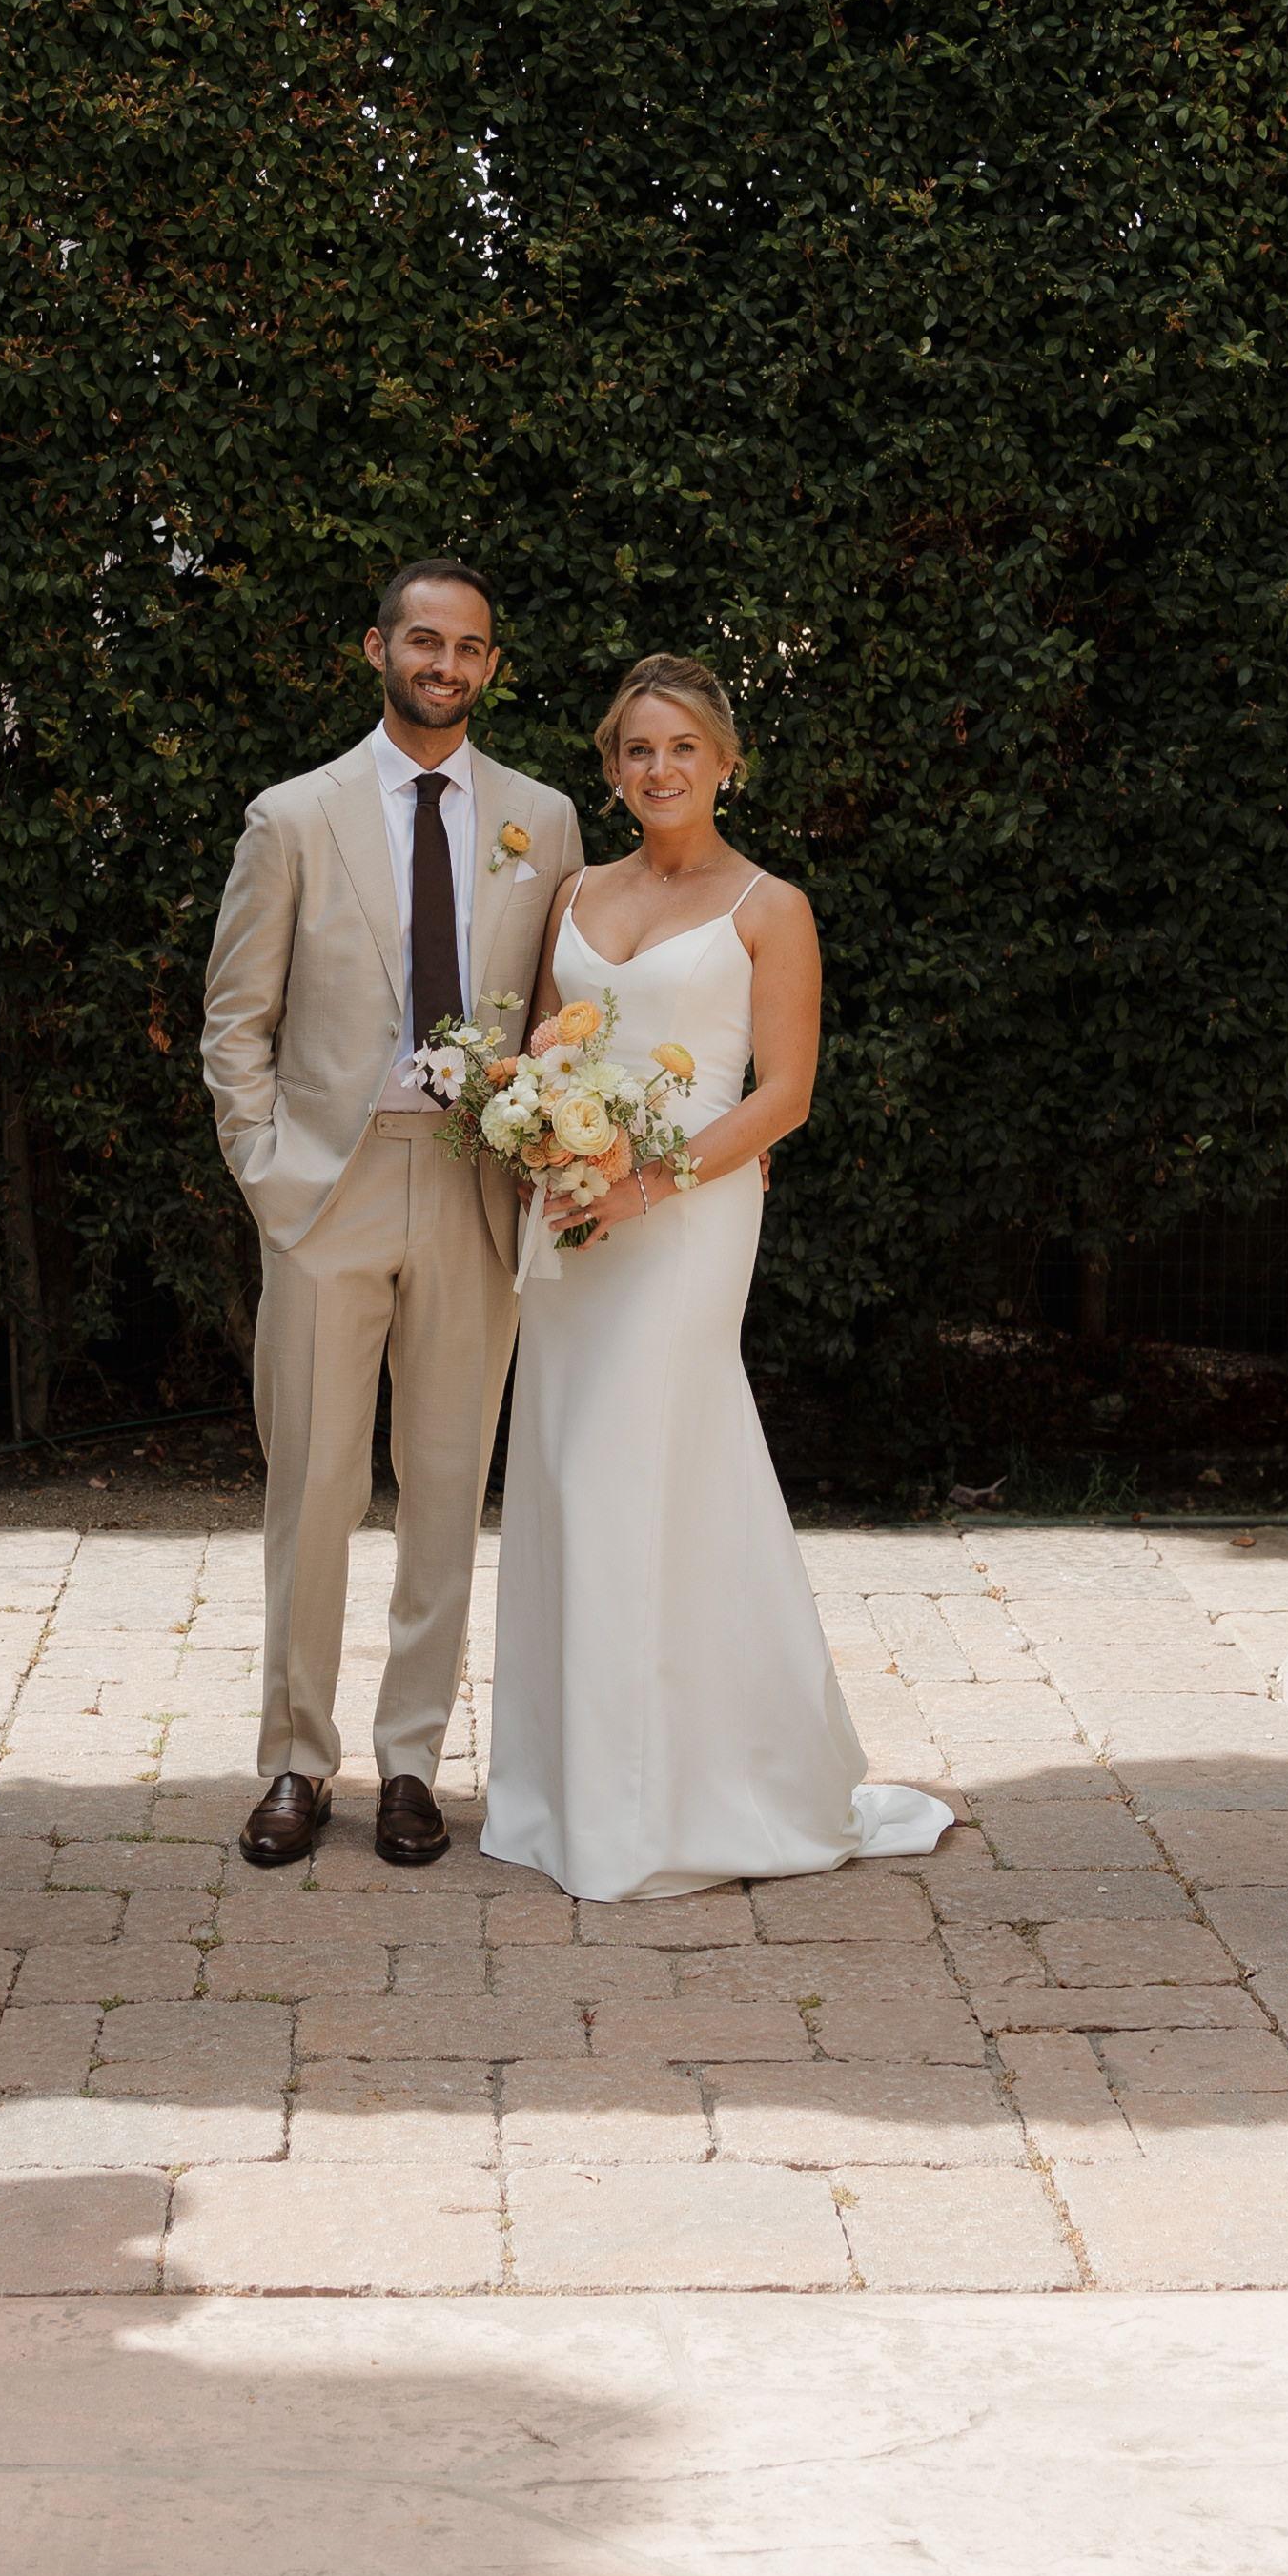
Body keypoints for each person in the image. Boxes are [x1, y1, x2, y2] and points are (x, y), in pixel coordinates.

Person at [482, 653, 954, 1900]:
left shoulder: (769, 906)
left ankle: (673, 1802)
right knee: (570, 1476)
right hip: (573, 1215)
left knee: (634, 1469)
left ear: (726, 762)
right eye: (637, 749)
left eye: (683, 747)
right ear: (611, 766)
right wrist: (540, 1144)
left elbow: (784, 1094)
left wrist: (643, 1183)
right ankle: (571, 1791)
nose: (660, 769)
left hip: (687, 1218)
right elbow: (544, 1046)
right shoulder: (575, 890)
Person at [194, 560, 588, 1869]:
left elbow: (564, 1016)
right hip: (329, 1191)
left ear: (491, 665)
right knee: (312, 1487)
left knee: (446, 1487)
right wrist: (269, 1175)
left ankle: (413, 1760)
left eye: (469, 647)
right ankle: (296, 1759)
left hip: (477, 1188)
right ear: (379, 648)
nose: (445, 664)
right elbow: (235, 1023)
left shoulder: (544, 820)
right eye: (424, 640)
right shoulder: (292, 817)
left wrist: (552, 1142)